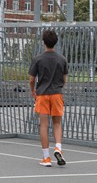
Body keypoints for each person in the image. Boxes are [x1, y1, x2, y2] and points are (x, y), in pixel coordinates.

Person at [29, 30, 68, 167]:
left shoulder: (38, 59)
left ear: (43, 42)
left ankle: (46, 158)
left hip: (43, 94)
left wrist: (33, 90)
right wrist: (59, 86)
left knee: (44, 125)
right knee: (57, 123)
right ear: (56, 42)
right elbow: (64, 78)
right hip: (57, 94)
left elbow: (32, 79)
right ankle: (58, 148)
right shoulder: (62, 59)